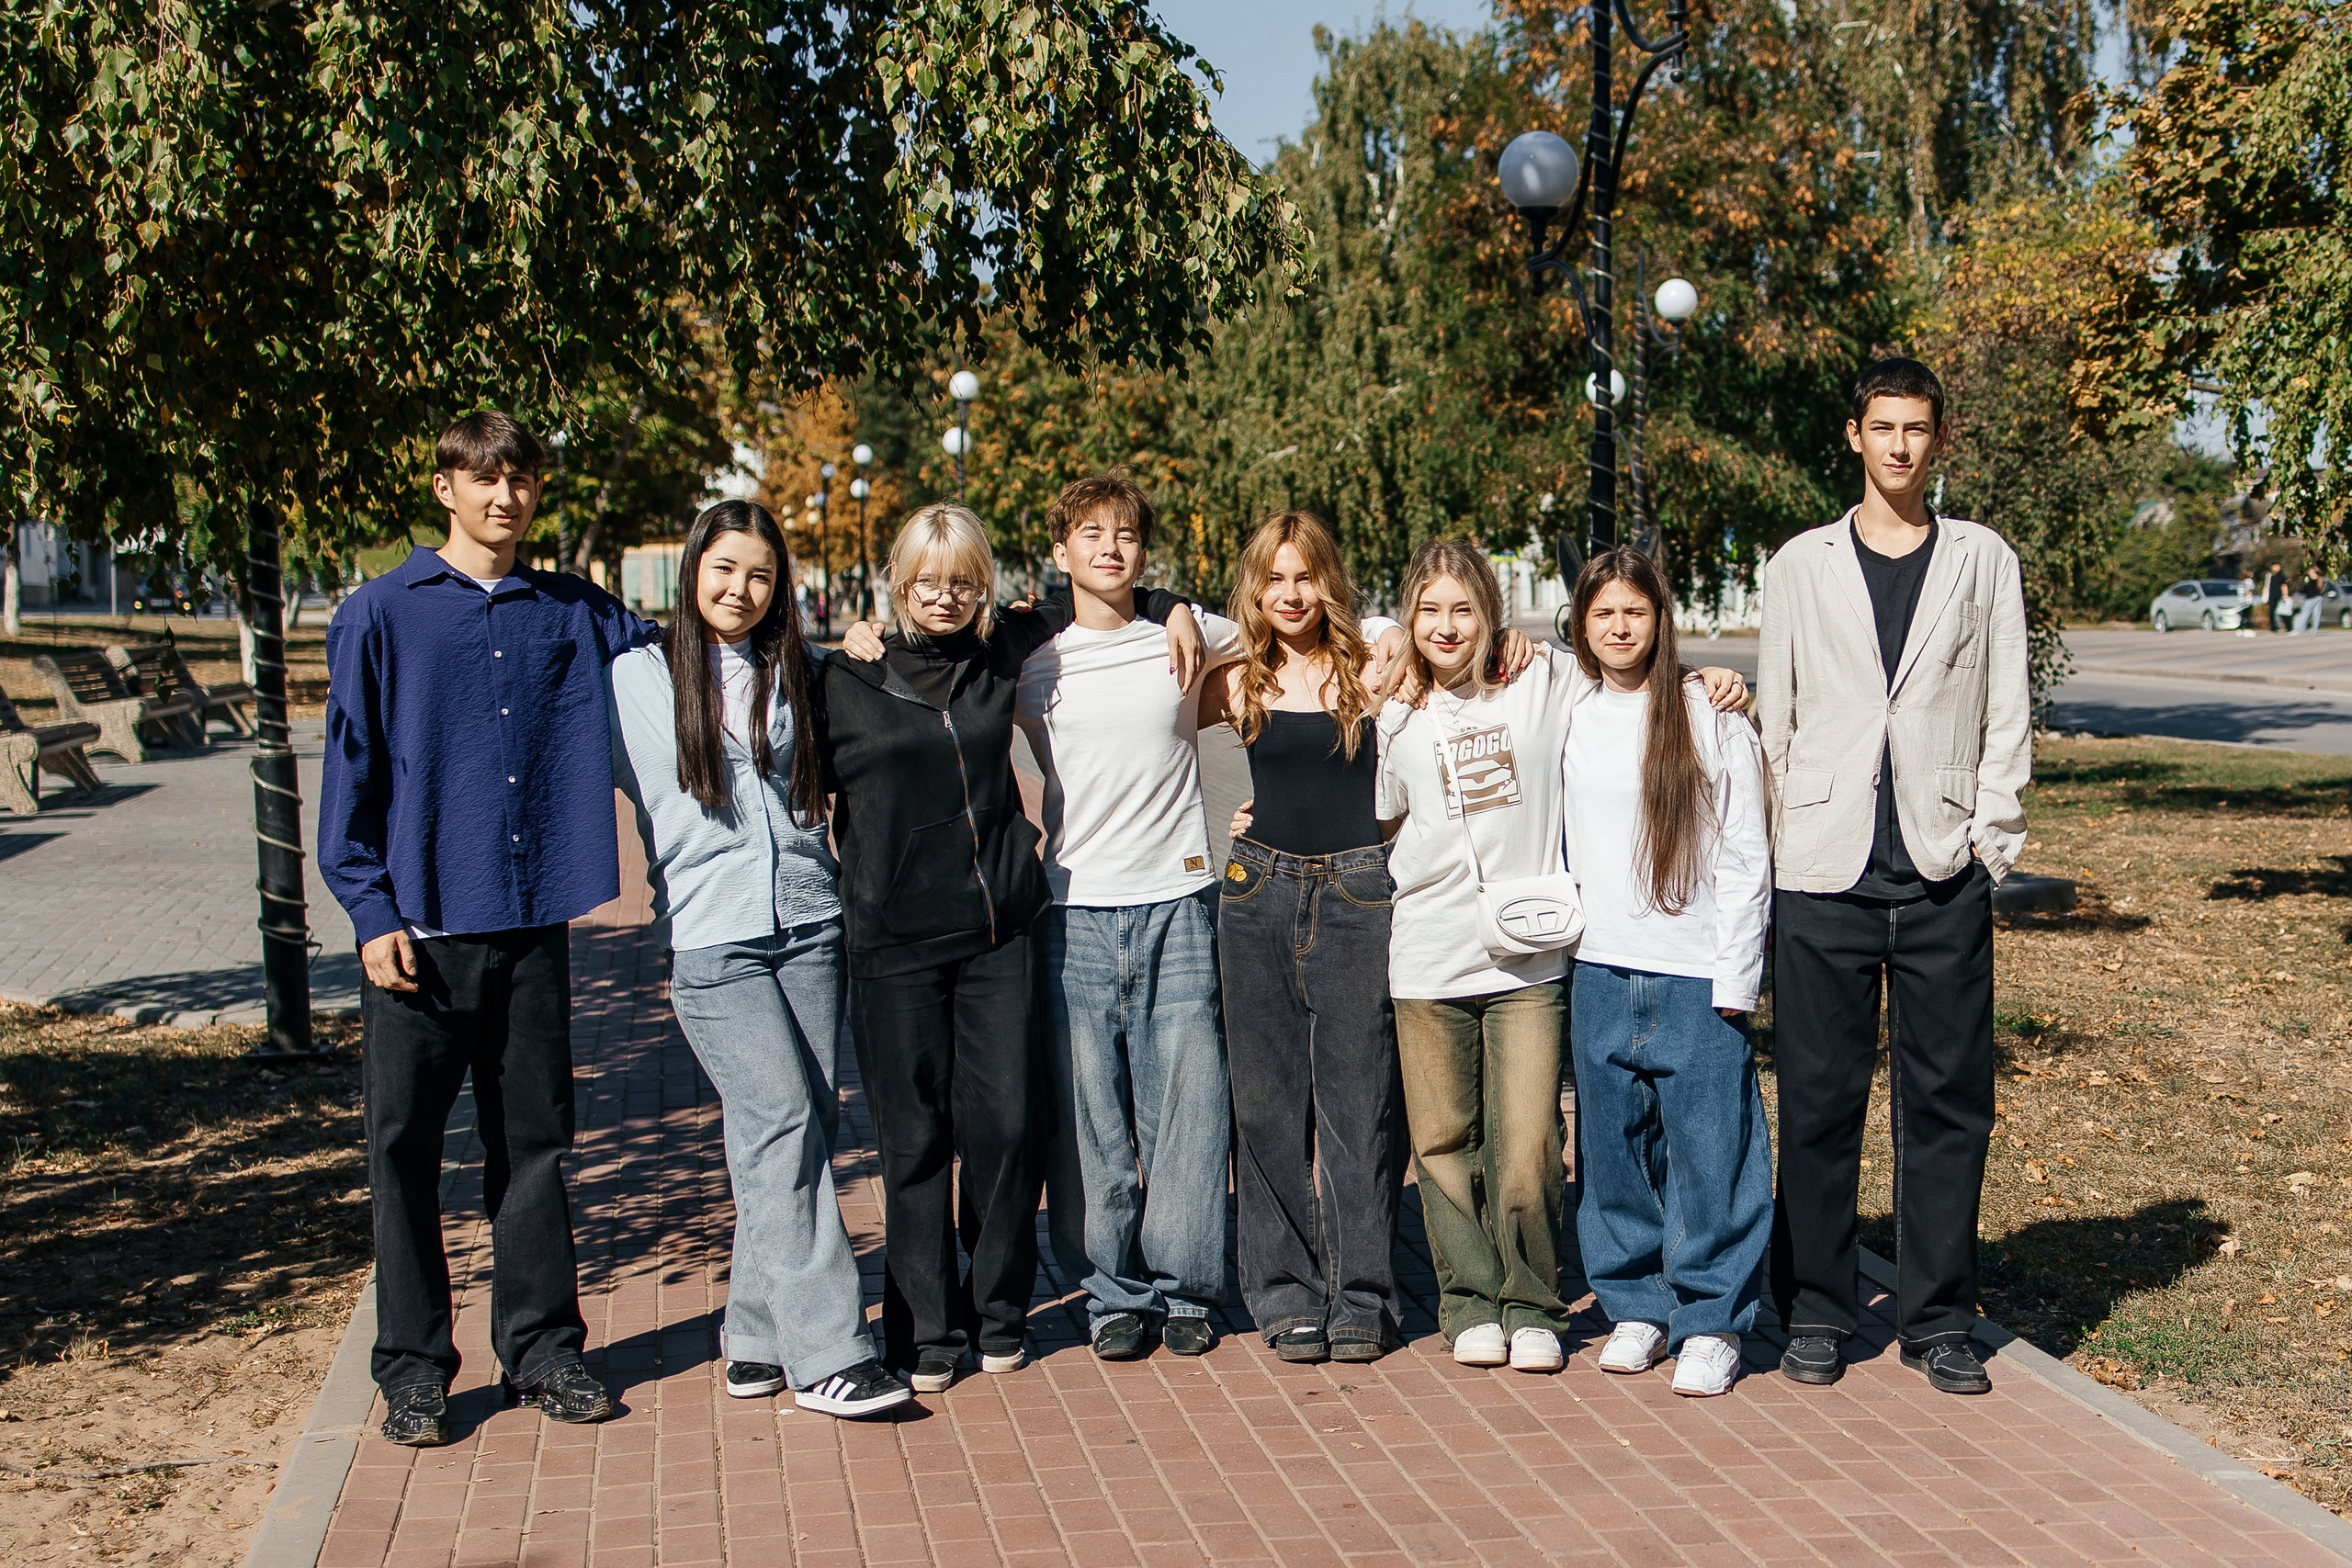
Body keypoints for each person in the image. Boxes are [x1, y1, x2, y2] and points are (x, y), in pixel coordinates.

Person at [320, 412, 652, 1446]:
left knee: (537, 1148)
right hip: (418, 931)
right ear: (444, 488)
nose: (504, 496)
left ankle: (545, 1352)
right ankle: (414, 1370)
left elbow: (701, 646)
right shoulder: (381, 615)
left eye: (521, 478)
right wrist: (370, 912)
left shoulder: (572, 611)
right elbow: (349, 776)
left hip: (529, 924)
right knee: (404, 1152)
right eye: (484, 478)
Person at [816, 502, 1201, 1393]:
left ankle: (996, 1311)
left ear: (983, 587)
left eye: (961, 582)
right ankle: (924, 1331)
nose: (944, 598)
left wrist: (1174, 602)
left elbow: (1104, 592)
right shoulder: (846, 675)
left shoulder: (1007, 647)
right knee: (913, 1142)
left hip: (997, 934)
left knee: (1004, 1129)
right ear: (898, 583)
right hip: (892, 947)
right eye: (926, 582)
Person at [1758, 357, 2030, 1396]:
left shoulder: (1980, 561)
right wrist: (1783, 839)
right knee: (1820, 1099)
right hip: (1822, 872)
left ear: (1937, 440)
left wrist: (1988, 838)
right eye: (1884, 428)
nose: (1901, 447)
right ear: (1854, 436)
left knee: (1947, 1102)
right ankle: (1818, 1310)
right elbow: (1776, 719)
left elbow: (2006, 708)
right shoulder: (1798, 564)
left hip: (1939, 865)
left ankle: (1939, 1318)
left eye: (1917, 429)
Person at [606, 501, 910, 1418]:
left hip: (810, 926)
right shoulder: (641, 675)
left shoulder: (800, 672)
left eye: (761, 575)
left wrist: (859, 645)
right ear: (694, 568)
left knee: (785, 1134)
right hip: (715, 939)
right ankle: (827, 1352)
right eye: (725, 568)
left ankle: (753, 1337)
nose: (740, 589)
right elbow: (691, 793)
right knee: (781, 1123)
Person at [1011, 476, 1246, 1361]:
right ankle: (1110, 1288)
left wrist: (1179, 607)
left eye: (1127, 536)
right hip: (1071, 908)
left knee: (1188, 1102)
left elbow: (1275, 627)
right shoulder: (1037, 665)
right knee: (1090, 1113)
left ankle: (1185, 1284)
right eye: (1091, 534)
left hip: (1178, 899)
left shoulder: (1182, 640)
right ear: (1063, 548)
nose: (1111, 548)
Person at [1561, 547, 1772, 1399]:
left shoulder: (1706, 714)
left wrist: (1736, 978)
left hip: (1692, 969)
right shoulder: (1570, 713)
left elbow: (1748, 852)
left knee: (1711, 1151)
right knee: (1613, 1152)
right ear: (1581, 623)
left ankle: (1712, 1318)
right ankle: (1636, 1305)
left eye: (1635, 612)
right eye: (1603, 612)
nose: (1619, 626)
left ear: (1660, 619)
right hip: (1600, 964)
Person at [1208, 512, 1409, 1363]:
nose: (1290, 595)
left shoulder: (1374, 665)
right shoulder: (1234, 679)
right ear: (1254, 589)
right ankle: (1286, 1291)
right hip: (1257, 889)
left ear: (1329, 578)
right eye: (1274, 580)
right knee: (1265, 1102)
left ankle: (1362, 1290)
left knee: (1359, 1103)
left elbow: (1478, 655)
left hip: (1358, 891)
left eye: (1305, 576)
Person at [2295, 566, 2327, 634]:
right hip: (2318, 598)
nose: (2309, 573)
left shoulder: (2312, 582)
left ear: (2314, 572)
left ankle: (2298, 630)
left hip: (2310, 599)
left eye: (2310, 572)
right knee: (2316, 615)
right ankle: (2315, 630)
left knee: (2304, 614)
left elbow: (2307, 591)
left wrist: (2298, 589)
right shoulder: (2320, 580)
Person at [2266, 561, 2288, 633]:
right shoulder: (2269, 576)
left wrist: (2285, 596)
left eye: (2278, 566)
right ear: (2272, 567)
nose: (2277, 568)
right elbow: (2266, 586)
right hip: (2272, 596)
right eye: (2276, 566)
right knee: (2271, 612)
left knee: (2283, 612)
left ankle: (2288, 627)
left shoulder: (2281, 576)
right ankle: (2273, 628)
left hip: (2280, 596)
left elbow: (2284, 586)